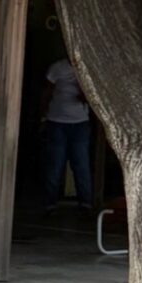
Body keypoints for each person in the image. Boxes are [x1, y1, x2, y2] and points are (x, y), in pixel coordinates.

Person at [40, 57, 93, 214]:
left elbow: (90, 97)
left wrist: (82, 89)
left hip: (80, 122)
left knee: (81, 164)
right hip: (57, 121)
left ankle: (85, 203)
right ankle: (50, 203)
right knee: (55, 164)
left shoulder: (87, 67)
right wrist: (43, 116)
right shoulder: (57, 67)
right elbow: (46, 92)